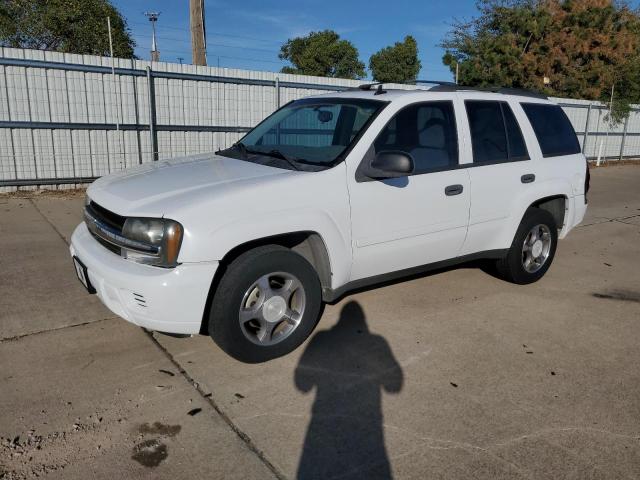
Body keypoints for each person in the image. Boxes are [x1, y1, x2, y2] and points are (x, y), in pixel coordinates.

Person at [294, 301, 403, 479]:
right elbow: (394, 386)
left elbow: (301, 385)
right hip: (368, 428)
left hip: (320, 428)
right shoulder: (378, 341)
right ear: (364, 320)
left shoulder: (321, 338)